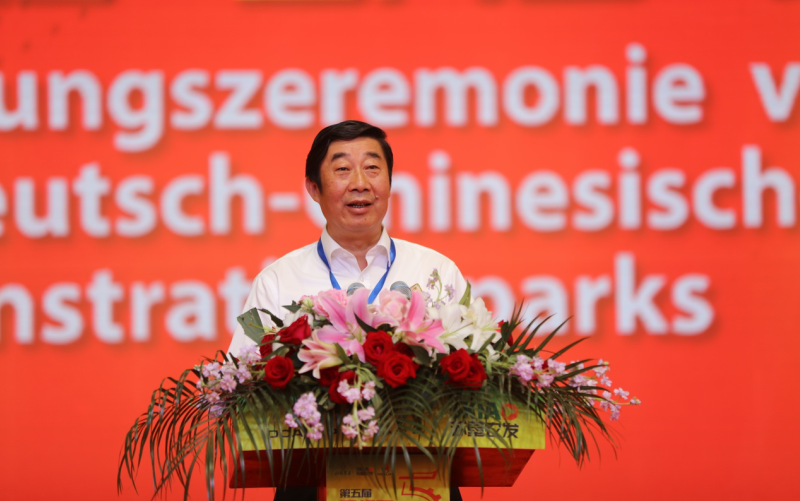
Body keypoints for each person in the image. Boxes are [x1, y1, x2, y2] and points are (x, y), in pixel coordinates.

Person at [228, 120, 467, 501]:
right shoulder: (278, 279)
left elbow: (472, 371)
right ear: (314, 188)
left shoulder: (435, 270)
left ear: (390, 182)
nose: (360, 183)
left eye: (372, 168)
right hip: (310, 483)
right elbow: (242, 388)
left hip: (423, 477)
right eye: (342, 169)